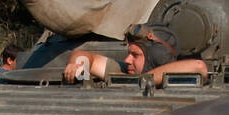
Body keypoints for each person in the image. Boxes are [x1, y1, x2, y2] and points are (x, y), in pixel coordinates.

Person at [62, 23, 207, 85]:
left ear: (156, 57)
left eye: (135, 55)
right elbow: (86, 56)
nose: (127, 60)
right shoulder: (124, 72)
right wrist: (76, 63)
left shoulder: (177, 78)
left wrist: (142, 80)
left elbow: (198, 66)